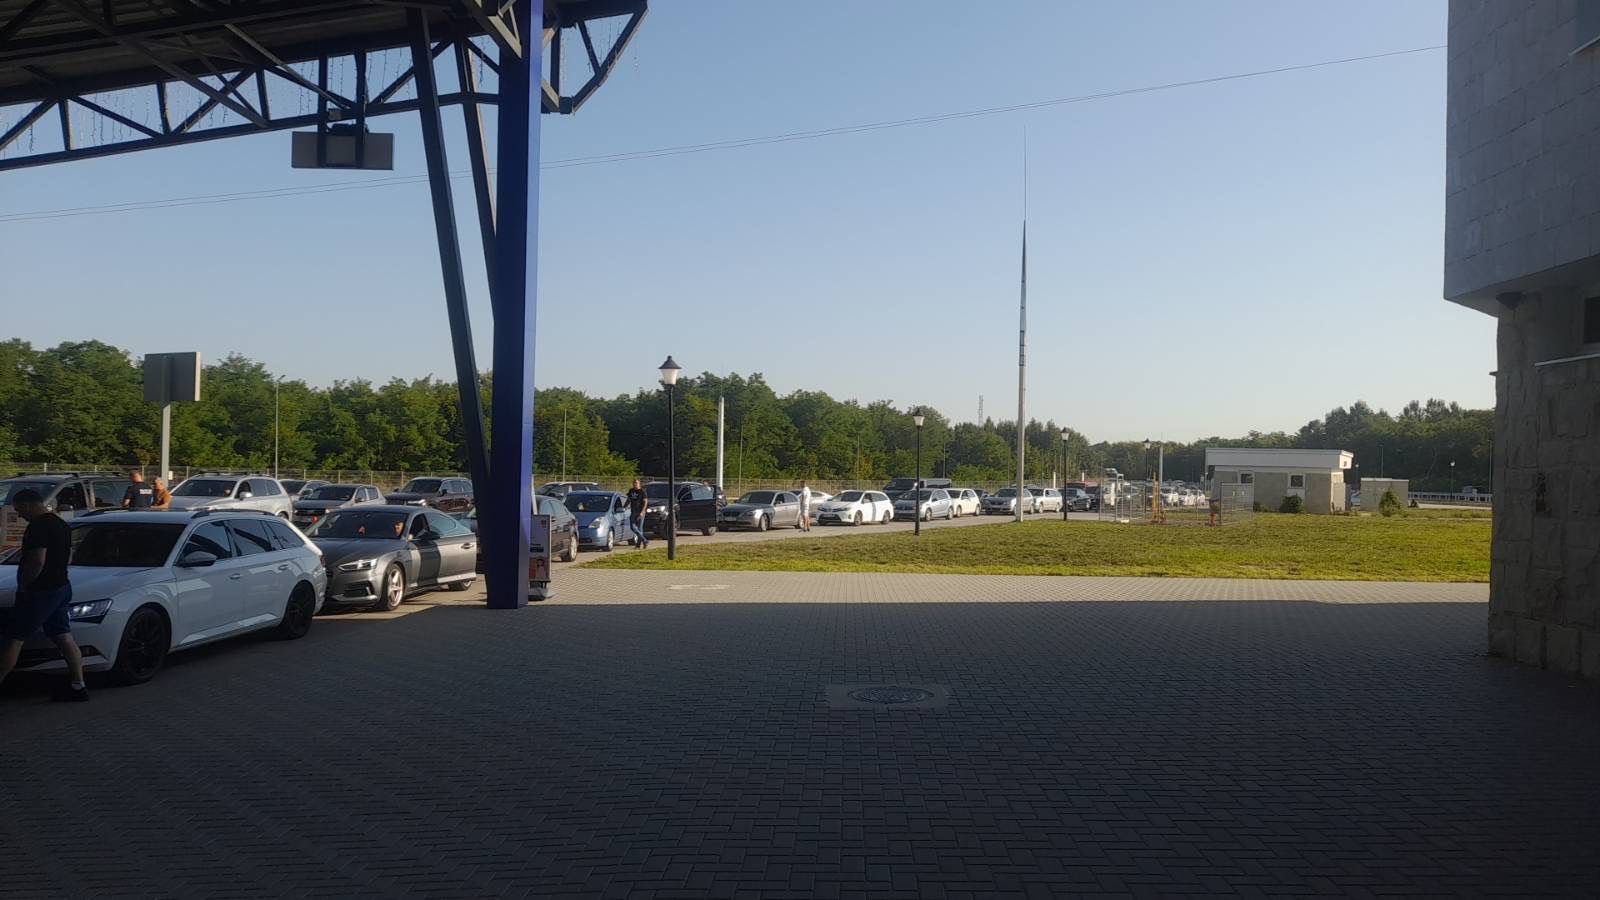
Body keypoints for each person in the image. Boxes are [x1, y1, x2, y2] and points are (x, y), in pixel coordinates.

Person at [0, 489, 88, 701]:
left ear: (28, 505)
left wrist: (25, 585)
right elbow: (68, 555)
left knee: (15, 639)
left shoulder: (37, 527)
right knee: (63, 636)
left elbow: (37, 561)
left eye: (20, 510)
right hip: (61, 586)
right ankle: (78, 685)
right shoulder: (61, 524)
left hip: (41, 591)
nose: (20, 515)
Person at [625, 479, 650, 549]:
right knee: (632, 527)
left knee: (640, 528)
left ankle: (638, 545)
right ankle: (645, 540)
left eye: (636, 483)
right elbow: (628, 500)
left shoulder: (642, 491)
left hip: (640, 512)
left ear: (639, 484)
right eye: (634, 483)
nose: (634, 484)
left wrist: (642, 512)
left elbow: (645, 502)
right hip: (633, 511)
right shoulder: (631, 491)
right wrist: (624, 507)